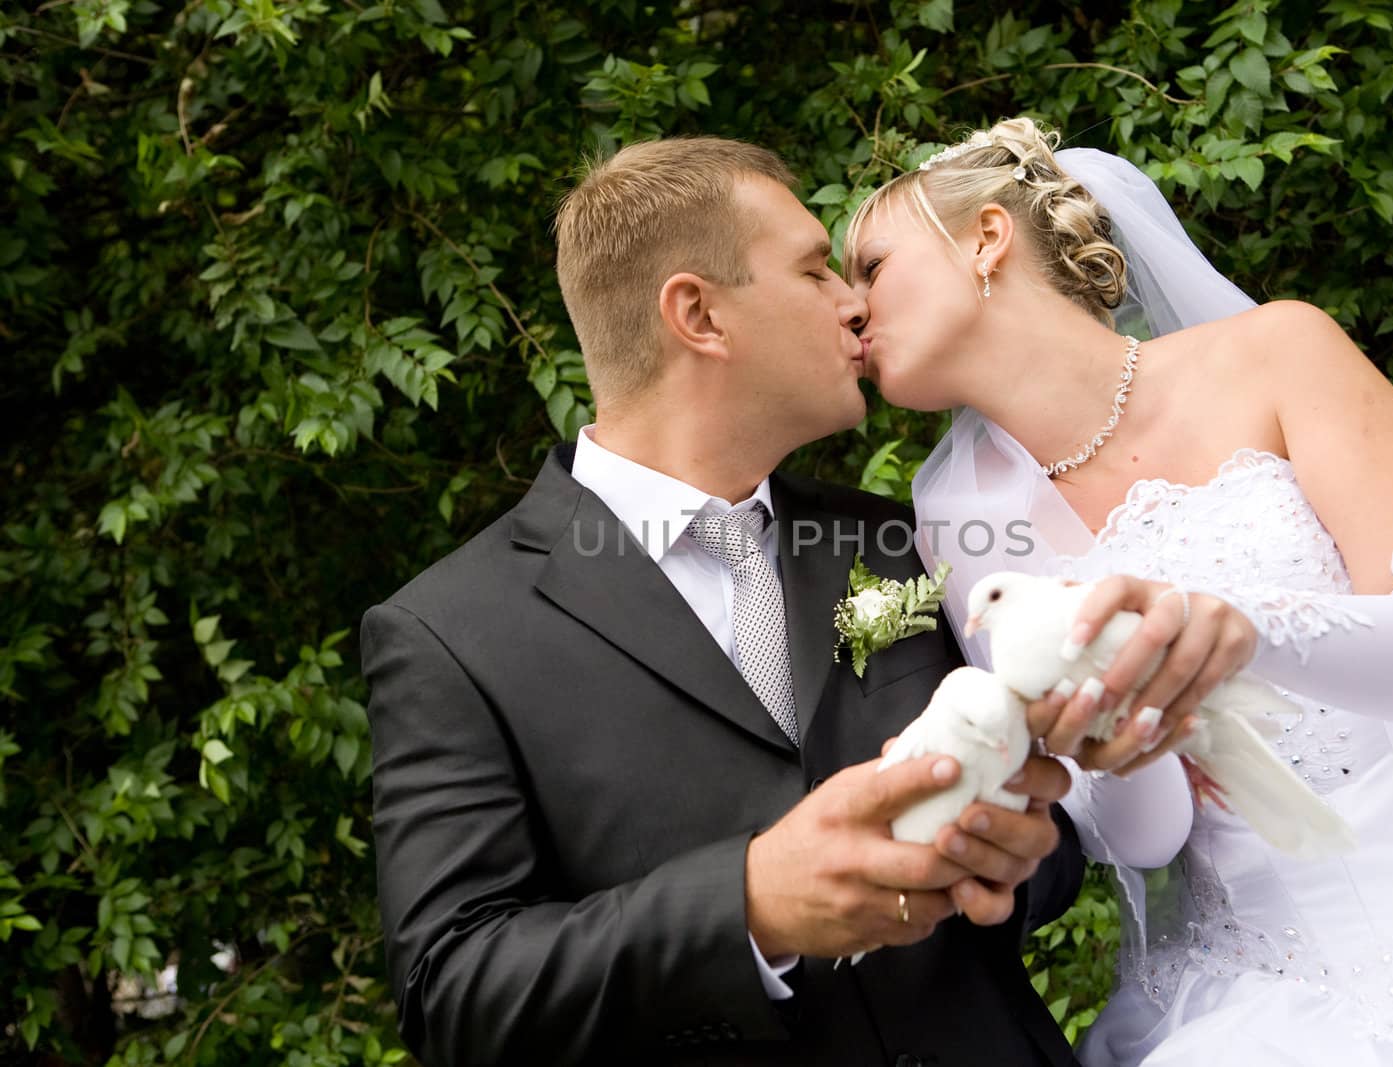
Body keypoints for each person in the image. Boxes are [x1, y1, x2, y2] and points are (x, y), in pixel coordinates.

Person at [844, 116, 1393, 1065]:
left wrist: (1240, 630)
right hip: (1273, 1002)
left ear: (987, 238)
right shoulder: (953, 512)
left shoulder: (1279, 352)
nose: (849, 307)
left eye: (871, 266)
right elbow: (1147, 839)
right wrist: (1124, 741)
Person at [360, 135, 1113, 1066]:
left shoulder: (906, 536)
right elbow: (457, 992)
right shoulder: (451, 635)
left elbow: (1057, 840)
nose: (855, 301)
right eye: (811, 270)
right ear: (700, 316)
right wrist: (747, 903)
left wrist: (1022, 854)